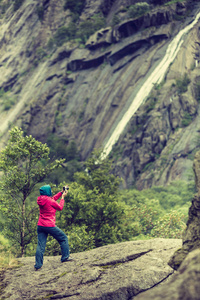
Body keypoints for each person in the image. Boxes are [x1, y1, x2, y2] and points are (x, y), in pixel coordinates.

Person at [34, 185, 72, 271]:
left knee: (40, 246)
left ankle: (38, 265)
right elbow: (60, 207)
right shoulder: (49, 201)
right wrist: (62, 198)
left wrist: (61, 192)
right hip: (49, 225)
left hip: (40, 225)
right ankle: (65, 257)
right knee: (63, 238)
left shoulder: (40, 199)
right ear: (48, 191)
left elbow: (52, 199)